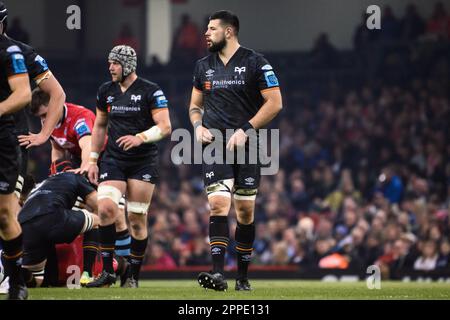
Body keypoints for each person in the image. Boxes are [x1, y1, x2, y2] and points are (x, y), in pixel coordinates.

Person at [188, 10, 282, 291]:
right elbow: (195, 105)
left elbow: (275, 103)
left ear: (229, 32)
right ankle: (218, 274)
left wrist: (246, 129)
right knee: (218, 204)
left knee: (244, 212)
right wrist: (196, 125)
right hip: (215, 145)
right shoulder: (202, 66)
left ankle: (242, 277)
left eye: (212, 29)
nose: (206, 33)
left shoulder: (256, 62)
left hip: (248, 145)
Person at [86, 45, 171, 288]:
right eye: (109, 62)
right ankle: (108, 271)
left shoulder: (151, 91)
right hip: (113, 159)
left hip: (142, 161)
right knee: (105, 210)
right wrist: (93, 159)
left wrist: (140, 138)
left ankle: (132, 275)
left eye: (115, 63)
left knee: (136, 219)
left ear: (129, 65)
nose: (110, 67)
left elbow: (165, 127)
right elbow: (100, 126)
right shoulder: (106, 91)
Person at [28, 89, 131, 286]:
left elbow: (87, 147)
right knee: (88, 216)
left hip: (105, 163)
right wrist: (55, 178)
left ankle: (128, 271)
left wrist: (84, 170)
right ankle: (91, 272)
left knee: (116, 217)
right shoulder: (50, 121)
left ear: (54, 106)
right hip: (79, 165)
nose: (43, 120)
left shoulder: (79, 118)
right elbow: (57, 151)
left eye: (44, 114)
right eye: (40, 117)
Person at [0, 1, 66, 211]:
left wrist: (44, 134)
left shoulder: (22, 53)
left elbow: (57, 93)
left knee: (6, 212)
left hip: (11, 141)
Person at [17, 159, 99, 287]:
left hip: (25, 223)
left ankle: (16, 273)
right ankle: (87, 273)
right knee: (97, 220)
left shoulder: (41, 185)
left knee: (36, 280)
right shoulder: (75, 177)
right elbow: (101, 207)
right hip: (52, 216)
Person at [0, 33, 32, 299]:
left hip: (3, 139)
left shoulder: (11, 52)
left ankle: (17, 282)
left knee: (4, 215)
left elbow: (23, 94)